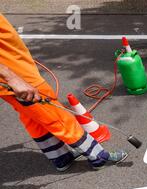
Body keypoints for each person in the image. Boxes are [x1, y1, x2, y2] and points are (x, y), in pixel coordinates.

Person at [0, 13, 127, 171]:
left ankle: (60, 157)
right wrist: (10, 77)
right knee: (55, 115)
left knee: (32, 116)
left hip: (15, 69)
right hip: (16, 75)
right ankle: (98, 156)